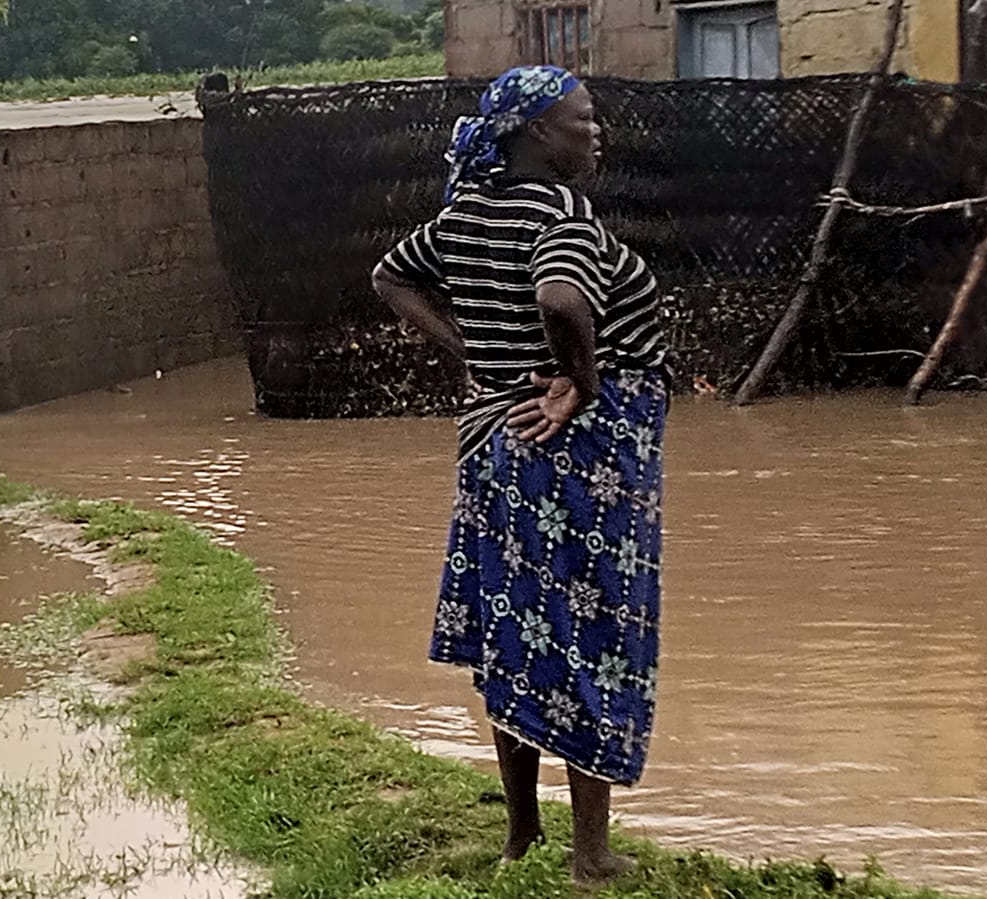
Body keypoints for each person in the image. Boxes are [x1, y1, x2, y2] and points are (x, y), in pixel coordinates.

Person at [369, 65, 670, 888]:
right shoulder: (560, 211)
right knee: (588, 639)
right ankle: (593, 856)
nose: (596, 130)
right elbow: (564, 300)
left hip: (492, 447)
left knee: (515, 639)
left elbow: (389, 276)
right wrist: (583, 382)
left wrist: (469, 352)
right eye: (583, 117)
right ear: (538, 132)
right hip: (571, 465)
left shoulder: (463, 215)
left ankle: (521, 836)